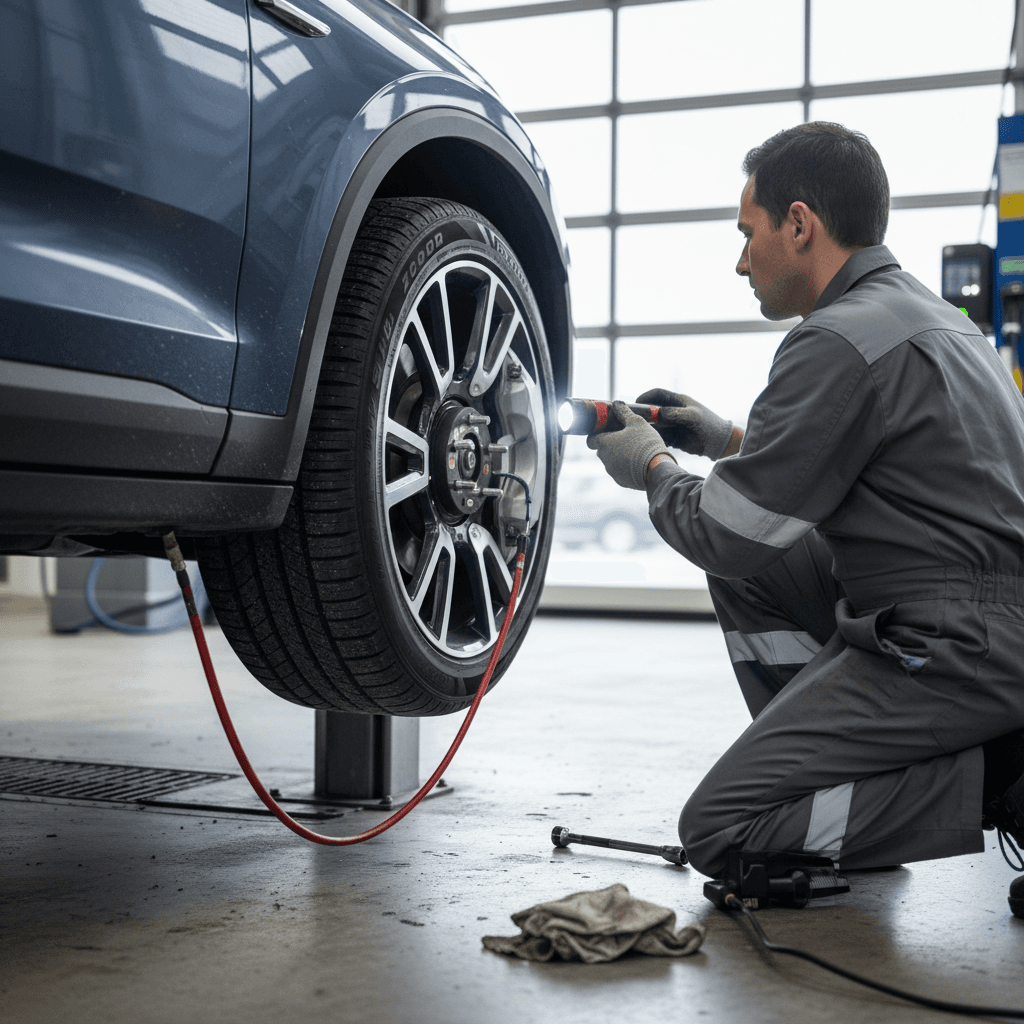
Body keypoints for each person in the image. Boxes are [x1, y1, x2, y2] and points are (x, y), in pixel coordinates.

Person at [588, 122, 1024, 888]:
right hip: (989, 617)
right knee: (763, 573)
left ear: (799, 224)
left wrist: (650, 466)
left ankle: (1002, 782)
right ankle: (841, 784)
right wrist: (723, 440)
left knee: (725, 830)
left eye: (747, 233)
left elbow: (729, 534)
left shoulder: (832, 339)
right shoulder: (942, 323)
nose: (740, 260)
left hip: (955, 642)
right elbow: (879, 469)